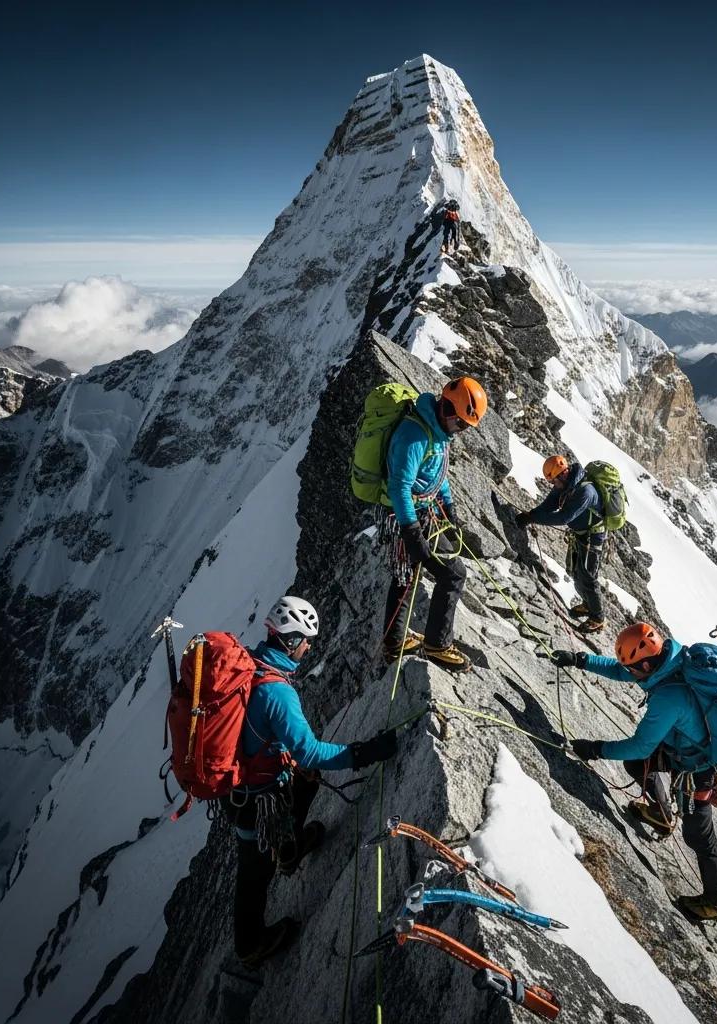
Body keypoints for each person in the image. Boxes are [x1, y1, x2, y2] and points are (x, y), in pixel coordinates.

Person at [225, 595, 398, 966]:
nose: (308, 647)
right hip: (255, 798)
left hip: (239, 789)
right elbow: (309, 752)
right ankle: (249, 944)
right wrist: (363, 753)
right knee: (255, 874)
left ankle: (288, 850)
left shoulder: (250, 664)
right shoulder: (277, 693)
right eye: (306, 640)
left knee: (306, 781)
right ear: (290, 641)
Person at [553, 621, 717, 921]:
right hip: (681, 752)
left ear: (646, 663)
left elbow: (640, 745)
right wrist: (581, 660)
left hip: (696, 770)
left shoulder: (668, 697)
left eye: (635, 668)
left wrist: (596, 749)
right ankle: (662, 817)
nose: (631, 674)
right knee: (636, 765)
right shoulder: (665, 664)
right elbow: (621, 670)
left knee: (699, 836)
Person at [383, 376, 488, 672]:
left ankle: (395, 641)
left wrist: (449, 507)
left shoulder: (438, 433)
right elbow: (399, 487)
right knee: (453, 574)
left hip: (419, 512)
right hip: (408, 515)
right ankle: (437, 645)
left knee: (407, 573)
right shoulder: (415, 435)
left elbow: (437, 474)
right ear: (447, 408)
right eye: (463, 423)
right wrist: (412, 531)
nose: (463, 430)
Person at [515, 455, 607, 633]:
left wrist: (533, 518)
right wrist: (531, 515)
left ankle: (598, 617)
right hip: (580, 533)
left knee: (587, 574)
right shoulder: (565, 484)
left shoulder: (585, 492)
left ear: (562, 474)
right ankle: (588, 605)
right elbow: (549, 505)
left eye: (553, 481)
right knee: (574, 571)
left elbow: (563, 517)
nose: (552, 485)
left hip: (593, 536)